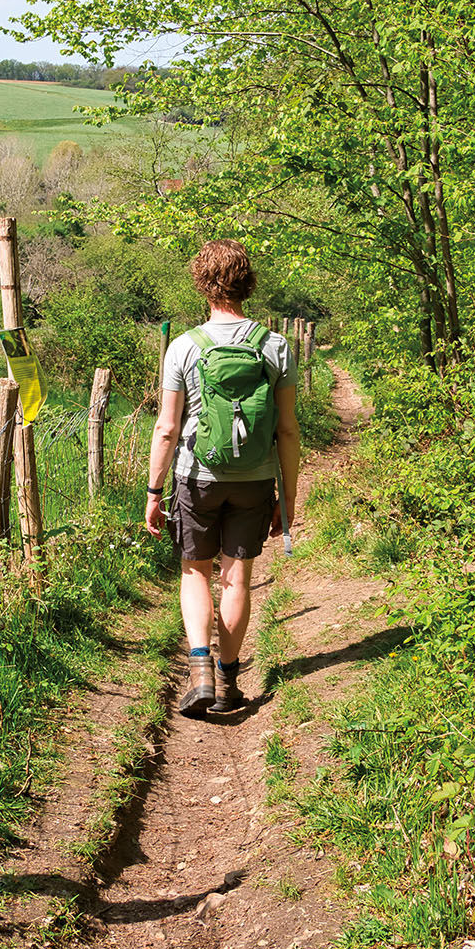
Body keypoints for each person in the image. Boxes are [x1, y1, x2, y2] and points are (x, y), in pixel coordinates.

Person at [144, 240, 300, 716]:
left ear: (202, 284)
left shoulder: (184, 347)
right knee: (238, 581)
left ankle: (200, 674)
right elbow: (289, 430)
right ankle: (230, 682)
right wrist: (286, 501)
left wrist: (154, 491)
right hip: (254, 481)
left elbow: (168, 427)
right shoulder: (275, 345)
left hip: (196, 477)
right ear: (247, 284)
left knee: (196, 571)